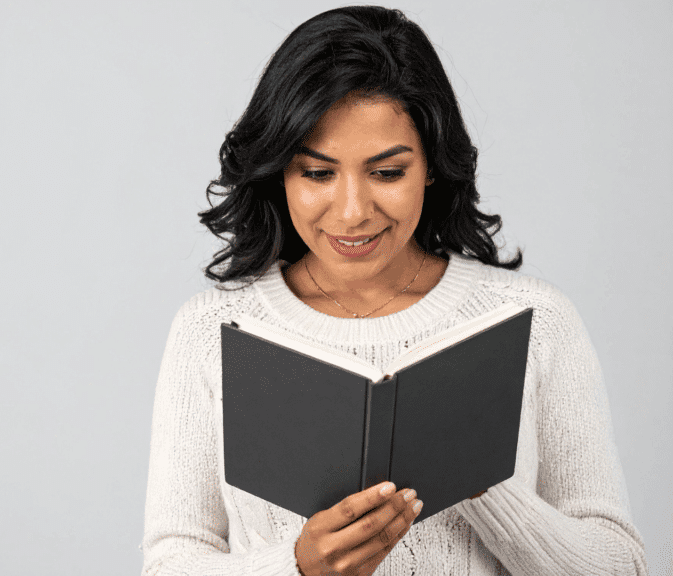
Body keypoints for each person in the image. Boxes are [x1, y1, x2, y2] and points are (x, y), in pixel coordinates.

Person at [140, 6, 648, 576]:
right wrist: (297, 565)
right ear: (279, 171)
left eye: (387, 173)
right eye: (316, 173)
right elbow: (170, 563)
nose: (353, 212)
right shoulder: (213, 332)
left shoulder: (535, 320)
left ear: (431, 165)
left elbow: (622, 566)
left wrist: (477, 476)